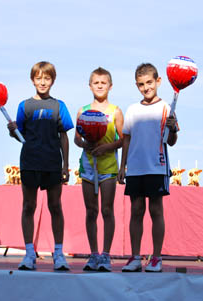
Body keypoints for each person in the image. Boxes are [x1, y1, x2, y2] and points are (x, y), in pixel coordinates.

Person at [8, 61, 74, 271]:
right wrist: (12, 131)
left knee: (55, 206)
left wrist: (66, 165)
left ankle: (58, 253)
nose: (43, 82)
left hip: (52, 163)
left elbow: (64, 136)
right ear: (32, 80)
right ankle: (29, 254)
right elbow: (21, 136)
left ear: (52, 80)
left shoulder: (59, 106)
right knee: (29, 206)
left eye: (47, 78)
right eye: (39, 78)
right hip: (29, 162)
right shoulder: (24, 106)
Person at [118, 63, 179, 272]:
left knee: (155, 211)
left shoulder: (167, 108)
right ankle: (135, 257)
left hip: (157, 167)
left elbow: (171, 141)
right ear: (137, 85)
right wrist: (122, 166)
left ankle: (157, 257)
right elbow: (126, 139)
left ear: (158, 81)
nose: (146, 87)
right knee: (136, 211)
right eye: (141, 84)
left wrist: (172, 130)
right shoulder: (132, 109)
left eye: (149, 83)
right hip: (135, 168)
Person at [74, 67, 124, 272]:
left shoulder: (115, 111)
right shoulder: (83, 110)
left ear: (110, 86)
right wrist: (85, 144)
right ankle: (93, 254)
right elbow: (77, 138)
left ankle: (106, 254)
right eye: (96, 82)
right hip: (88, 167)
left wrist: (107, 147)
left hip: (108, 167)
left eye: (104, 83)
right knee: (91, 210)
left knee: (107, 210)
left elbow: (123, 139)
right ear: (90, 86)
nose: (100, 86)